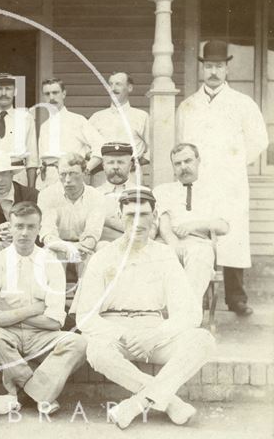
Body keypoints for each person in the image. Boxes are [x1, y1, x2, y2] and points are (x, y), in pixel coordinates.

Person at [75, 187, 216, 429]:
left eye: (144, 214)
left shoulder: (165, 255)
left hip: (154, 332)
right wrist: (123, 334)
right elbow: (84, 318)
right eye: (130, 215)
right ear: (120, 216)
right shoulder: (103, 256)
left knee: (203, 340)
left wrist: (156, 334)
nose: (137, 222)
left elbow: (190, 312)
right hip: (116, 333)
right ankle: (170, 402)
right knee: (96, 351)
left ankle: (135, 404)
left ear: (154, 216)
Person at [176, 40, 269, 316]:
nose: (214, 71)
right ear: (202, 69)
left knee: (233, 236)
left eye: (219, 66)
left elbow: (259, 140)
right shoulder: (188, 106)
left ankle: (236, 297)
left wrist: (233, 163)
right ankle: (197, 295)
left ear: (227, 68)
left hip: (230, 182)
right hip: (199, 182)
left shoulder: (242, 103)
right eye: (209, 66)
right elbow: (181, 143)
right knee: (197, 232)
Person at [0, 201, 87, 416]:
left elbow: (54, 322)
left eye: (31, 227)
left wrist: (8, 309)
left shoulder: (51, 263)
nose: (24, 233)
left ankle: (21, 396)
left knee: (79, 343)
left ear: (39, 230)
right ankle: (41, 395)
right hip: (6, 334)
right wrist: (34, 309)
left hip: (42, 335)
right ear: (9, 228)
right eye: (19, 226)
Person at [154, 143, 229, 301]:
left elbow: (224, 227)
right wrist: (173, 243)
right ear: (173, 167)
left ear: (198, 161)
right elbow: (164, 223)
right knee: (158, 256)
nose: (183, 167)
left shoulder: (214, 190)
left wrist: (195, 225)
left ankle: (186, 314)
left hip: (199, 243)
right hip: (167, 242)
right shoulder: (163, 190)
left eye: (188, 161)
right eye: (178, 163)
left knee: (200, 256)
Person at [39, 153, 105, 290]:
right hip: (59, 246)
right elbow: (47, 233)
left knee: (95, 252)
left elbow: (93, 233)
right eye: (63, 174)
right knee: (51, 254)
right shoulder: (47, 195)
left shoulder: (96, 196)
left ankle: (81, 305)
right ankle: (55, 306)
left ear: (85, 173)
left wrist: (80, 247)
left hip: (83, 246)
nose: (67, 180)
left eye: (73, 173)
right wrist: (67, 247)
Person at [37, 78, 104, 189]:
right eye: (47, 94)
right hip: (46, 180)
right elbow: (41, 159)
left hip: (70, 178)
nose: (51, 97)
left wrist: (86, 169)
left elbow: (101, 147)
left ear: (64, 94)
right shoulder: (44, 126)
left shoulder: (77, 120)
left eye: (55, 92)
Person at [0, 73, 38, 188]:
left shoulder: (25, 118)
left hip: (18, 176)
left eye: (8, 89)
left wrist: (31, 190)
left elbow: (32, 159)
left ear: (15, 92)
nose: (4, 93)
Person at [88, 72, 150, 170]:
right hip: (101, 173)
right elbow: (85, 146)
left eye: (118, 84)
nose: (113, 88)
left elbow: (153, 149)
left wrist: (134, 165)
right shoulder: (97, 117)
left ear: (129, 88)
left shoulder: (141, 116)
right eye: (110, 84)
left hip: (132, 173)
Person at [95, 142, 146, 243]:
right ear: (103, 166)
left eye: (121, 162)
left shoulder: (142, 194)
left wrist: (107, 222)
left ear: (130, 165)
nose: (115, 167)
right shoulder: (94, 195)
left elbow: (145, 229)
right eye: (110, 162)